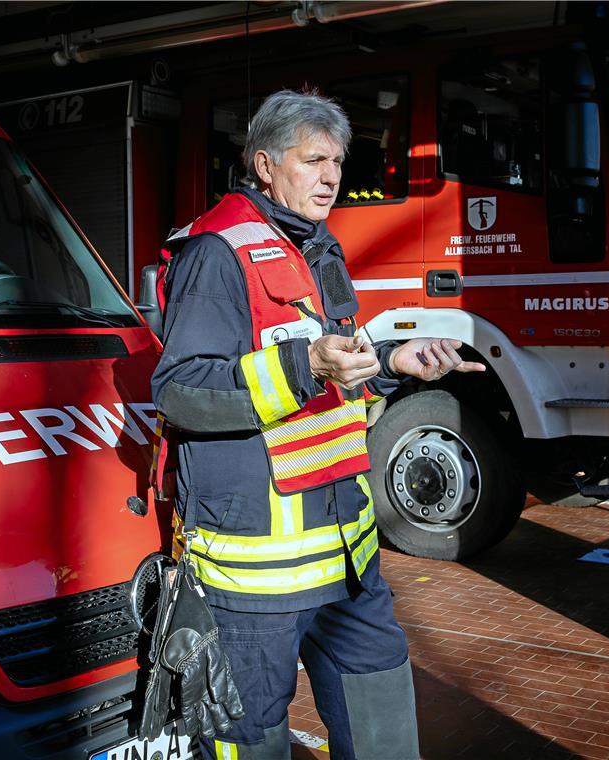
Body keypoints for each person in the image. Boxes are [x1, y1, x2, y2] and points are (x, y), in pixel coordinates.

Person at [151, 89, 484, 759]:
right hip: (260, 581)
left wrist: (393, 362)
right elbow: (180, 392)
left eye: (337, 160)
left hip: (348, 560)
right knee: (251, 742)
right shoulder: (216, 254)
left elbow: (338, 376)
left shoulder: (316, 246)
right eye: (312, 161)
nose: (331, 176)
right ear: (264, 165)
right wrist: (303, 362)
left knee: (387, 723)